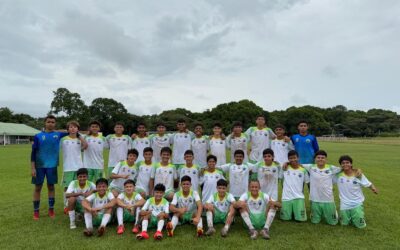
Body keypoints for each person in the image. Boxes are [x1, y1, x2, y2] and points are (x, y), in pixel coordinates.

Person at [31, 115, 68, 219]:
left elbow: (72, 131)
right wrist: (32, 167)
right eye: (48, 122)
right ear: (45, 123)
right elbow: (33, 153)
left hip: (52, 166)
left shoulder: (58, 134)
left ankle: (51, 210)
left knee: (51, 187)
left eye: (52, 122)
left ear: (55, 124)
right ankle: (36, 212)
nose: (50, 124)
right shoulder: (38, 136)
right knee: (37, 187)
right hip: (39, 166)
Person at [336, 155, 378, 229]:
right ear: (341, 165)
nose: (345, 164)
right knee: (344, 224)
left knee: (360, 226)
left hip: (356, 203)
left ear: (351, 164)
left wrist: (373, 188)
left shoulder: (358, 175)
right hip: (344, 204)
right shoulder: (338, 175)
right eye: (343, 163)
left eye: (347, 162)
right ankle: (349, 217)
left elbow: (367, 183)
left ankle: (356, 216)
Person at [302, 150, 341, 225]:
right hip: (315, 198)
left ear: (326, 159)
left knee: (333, 223)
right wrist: (286, 163)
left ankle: (332, 214)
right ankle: (316, 215)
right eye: (318, 157)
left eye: (323, 158)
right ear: (315, 159)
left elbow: (345, 168)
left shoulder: (331, 168)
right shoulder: (311, 167)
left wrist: (357, 170)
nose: (320, 159)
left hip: (328, 198)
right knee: (315, 221)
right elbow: (297, 164)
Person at [61, 121, 86, 211]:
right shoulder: (63, 139)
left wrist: (80, 137)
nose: (73, 129)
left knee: (78, 186)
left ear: (77, 129)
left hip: (79, 167)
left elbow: (85, 146)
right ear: (68, 129)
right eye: (71, 127)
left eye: (75, 127)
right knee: (67, 187)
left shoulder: (80, 139)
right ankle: (66, 206)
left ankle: (77, 204)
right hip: (68, 167)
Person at [280, 150, 309, 222]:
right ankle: (291, 211)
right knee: (285, 219)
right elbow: (280, 178)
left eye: (294, 158)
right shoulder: (284, 168)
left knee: (301, 220)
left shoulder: (303, 170)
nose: (293, 160)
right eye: (290, 158)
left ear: (298, 158)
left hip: (298, 197)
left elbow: (308, 182)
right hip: (286, 197)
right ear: (288, 159)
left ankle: (296, 210)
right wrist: (286, 163)